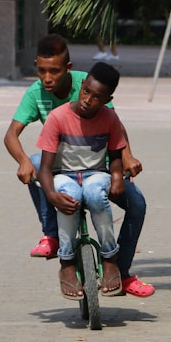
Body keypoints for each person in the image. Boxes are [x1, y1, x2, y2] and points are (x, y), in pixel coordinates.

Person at [3, 34, 155, 298]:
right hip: (60, 165)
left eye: (54, 71)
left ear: (70, 69)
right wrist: (23, 161)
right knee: (36, 164)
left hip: (100, 165)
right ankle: (51, 236)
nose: (47, 78)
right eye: (41, 71)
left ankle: (122, 270)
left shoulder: (92, 83)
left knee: (138, 204)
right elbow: (10, 134)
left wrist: (127, 157)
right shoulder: (35, 94)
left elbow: (114, 125)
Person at [37, 61, 125, 299]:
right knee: (70, 197)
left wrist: (117, 178)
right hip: (64, 175)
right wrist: (52, 195)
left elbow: (116, 157)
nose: (88, 100)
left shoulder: (110, 119)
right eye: (86, 91)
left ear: (107, 99)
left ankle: (109, 258)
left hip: (95, 173)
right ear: (82, 85)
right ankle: (66, 264)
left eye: (97, 97)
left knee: (95, 194)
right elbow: (45, 168)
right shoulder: (58, 117)